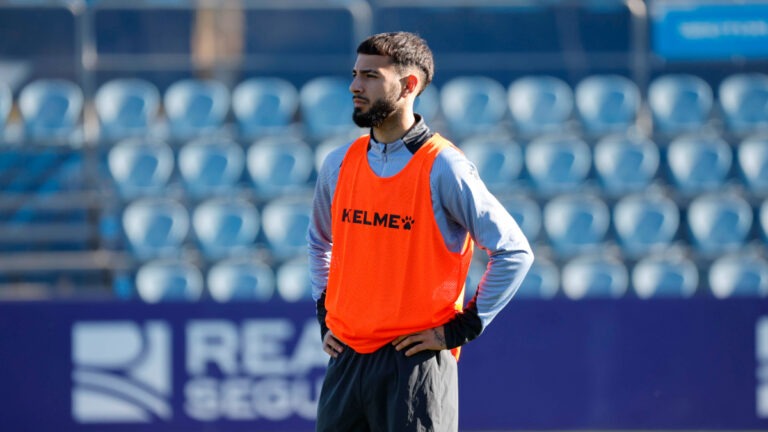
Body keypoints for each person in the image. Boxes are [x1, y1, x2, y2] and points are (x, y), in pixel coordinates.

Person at [306, 31, 534, 432]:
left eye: (371, 76)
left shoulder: (444, 166)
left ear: (409, 85)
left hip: (414, 364)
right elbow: (318, 242)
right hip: (346, 360)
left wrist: (461, 329)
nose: (355, 85)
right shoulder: (339, 163)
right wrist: (325, 314)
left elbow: (514, 251)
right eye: (355, 73)